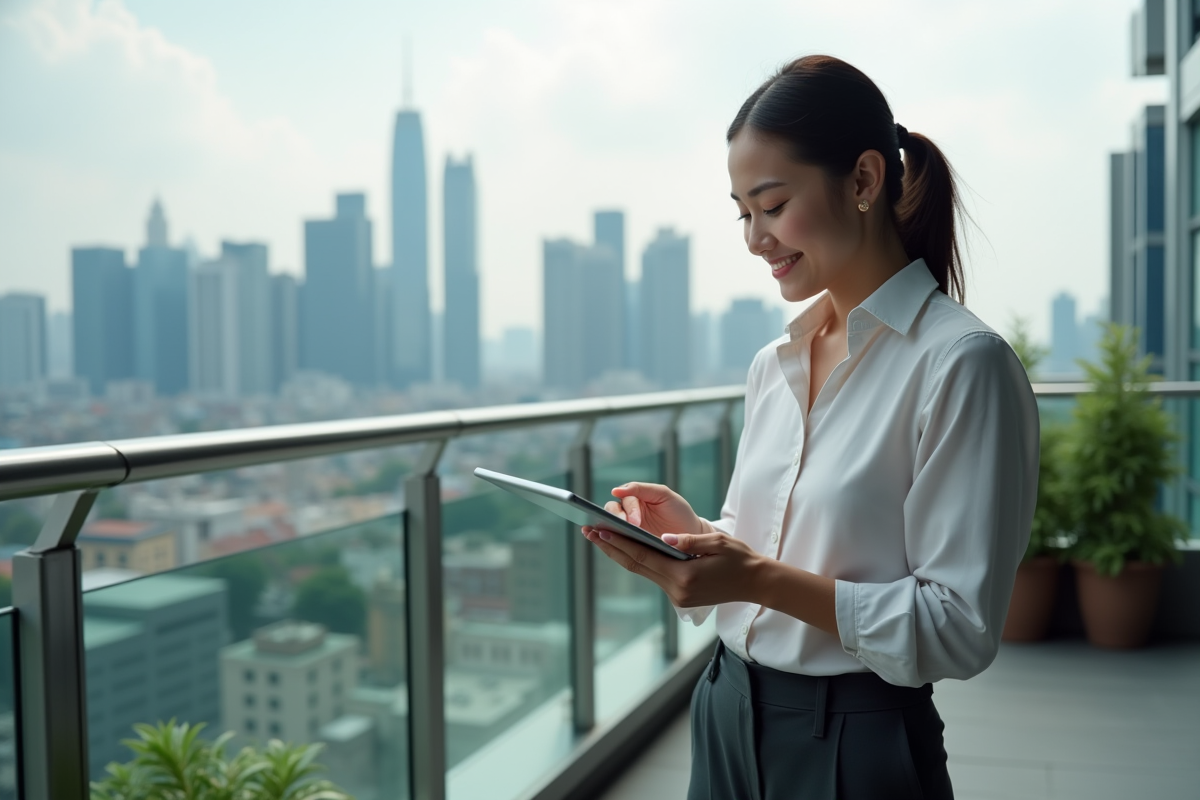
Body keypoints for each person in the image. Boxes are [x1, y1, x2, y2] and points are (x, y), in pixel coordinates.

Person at [581, 54, 1039, 800]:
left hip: (855, 743)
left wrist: (754, 578)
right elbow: (773, 544)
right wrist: (697, 538)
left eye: (771, 204)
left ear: (863, 181)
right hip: (724, 708)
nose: (754, 238)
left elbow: (958, 627)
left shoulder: (961, 364)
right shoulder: (775, 363)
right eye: (743, 213)